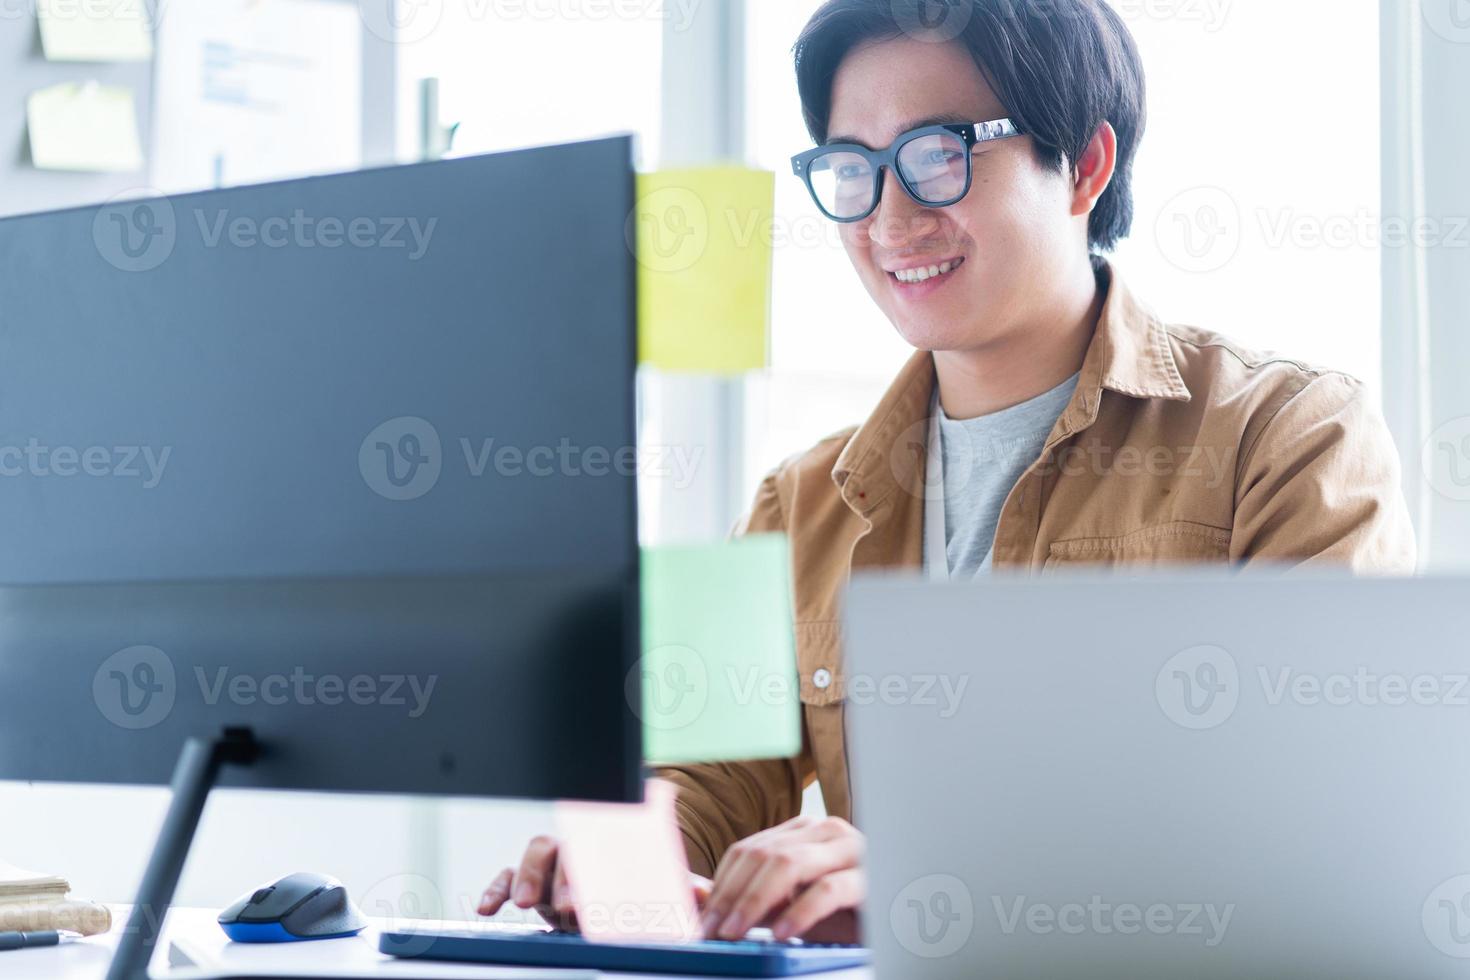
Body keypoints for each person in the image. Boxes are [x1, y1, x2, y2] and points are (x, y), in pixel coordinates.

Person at [480, 0, 1417, 945]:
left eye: (938, 153)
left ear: (1084, 165)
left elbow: (1329, 820)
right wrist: (618, 864)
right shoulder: (792, 501)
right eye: (853, 168)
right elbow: (700, 778)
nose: (890, 218)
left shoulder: (1289, 437)